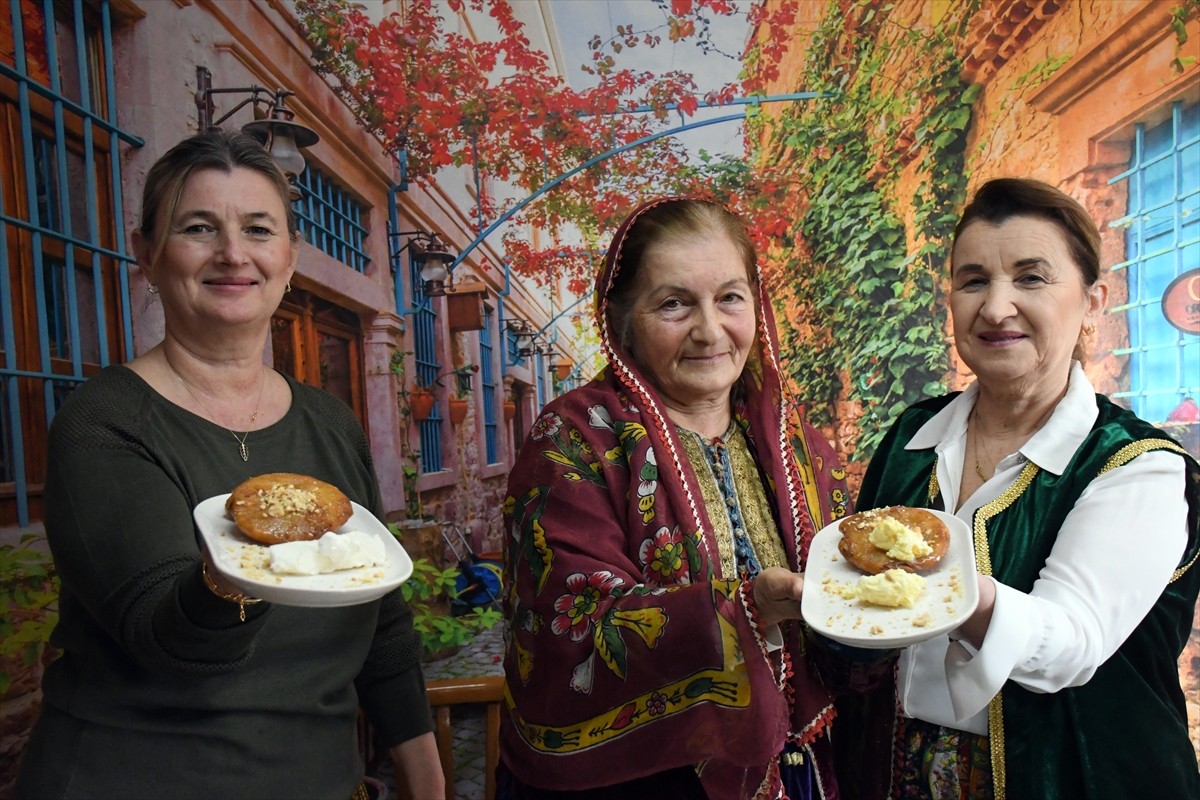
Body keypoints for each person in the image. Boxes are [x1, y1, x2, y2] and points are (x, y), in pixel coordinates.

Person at [14, 130, 444, 799]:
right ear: (148, 255)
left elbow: (383, 630)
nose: (233, 253)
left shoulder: (330, 425)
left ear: (290, 257)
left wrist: (427, 782)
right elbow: (170, 642)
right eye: (198, 227)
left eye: (258, 229)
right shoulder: (105, 422)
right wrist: (244, 567)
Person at [835, 178, 1200, 799]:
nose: (996, 307)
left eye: (1031, 279)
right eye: (974, 280)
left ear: (1092, 301)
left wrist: (950, 595)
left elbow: (1071, 645)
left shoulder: (1138, 465)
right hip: (895, 772)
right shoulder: (911, 434)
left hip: (1075, 776)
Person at [500, 198, 860, 799]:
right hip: (643, 781)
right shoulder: (575, 438)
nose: (710, 330)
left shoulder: (789, 435)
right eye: (673, 303)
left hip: (801, 772)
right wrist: (748, 608)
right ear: (621, 323)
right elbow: (577, 627)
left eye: (730, 298)